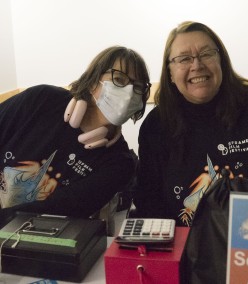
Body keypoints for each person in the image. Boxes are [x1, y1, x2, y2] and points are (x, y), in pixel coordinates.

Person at [133, 21, 248, 227]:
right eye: (184, 59)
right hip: (185, 250)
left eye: (206, 54)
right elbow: (148, 201)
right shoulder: (156, 126)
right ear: (170, 74)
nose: (197, 65)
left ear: (221, 60)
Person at [0, 46, 151, 222]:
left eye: (137, 87)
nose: (128, 93)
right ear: (94, 79)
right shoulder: (41, 100)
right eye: (118, 79)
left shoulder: (119, 164)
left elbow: (59, 210)